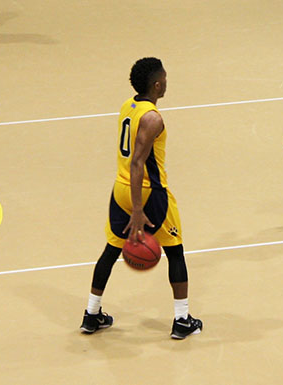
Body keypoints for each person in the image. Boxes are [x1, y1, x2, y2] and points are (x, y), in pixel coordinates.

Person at [80, 57, 203, 339]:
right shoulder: (153, 118)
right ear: (158, 85)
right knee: (175, 251)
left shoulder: (129, 106)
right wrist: (138, 209)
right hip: (148, 193)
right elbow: (138, 163)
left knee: (111, 250)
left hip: (120, 188)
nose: (167, 82)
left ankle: (91, 314)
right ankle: (182, 320)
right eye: (165, 79)